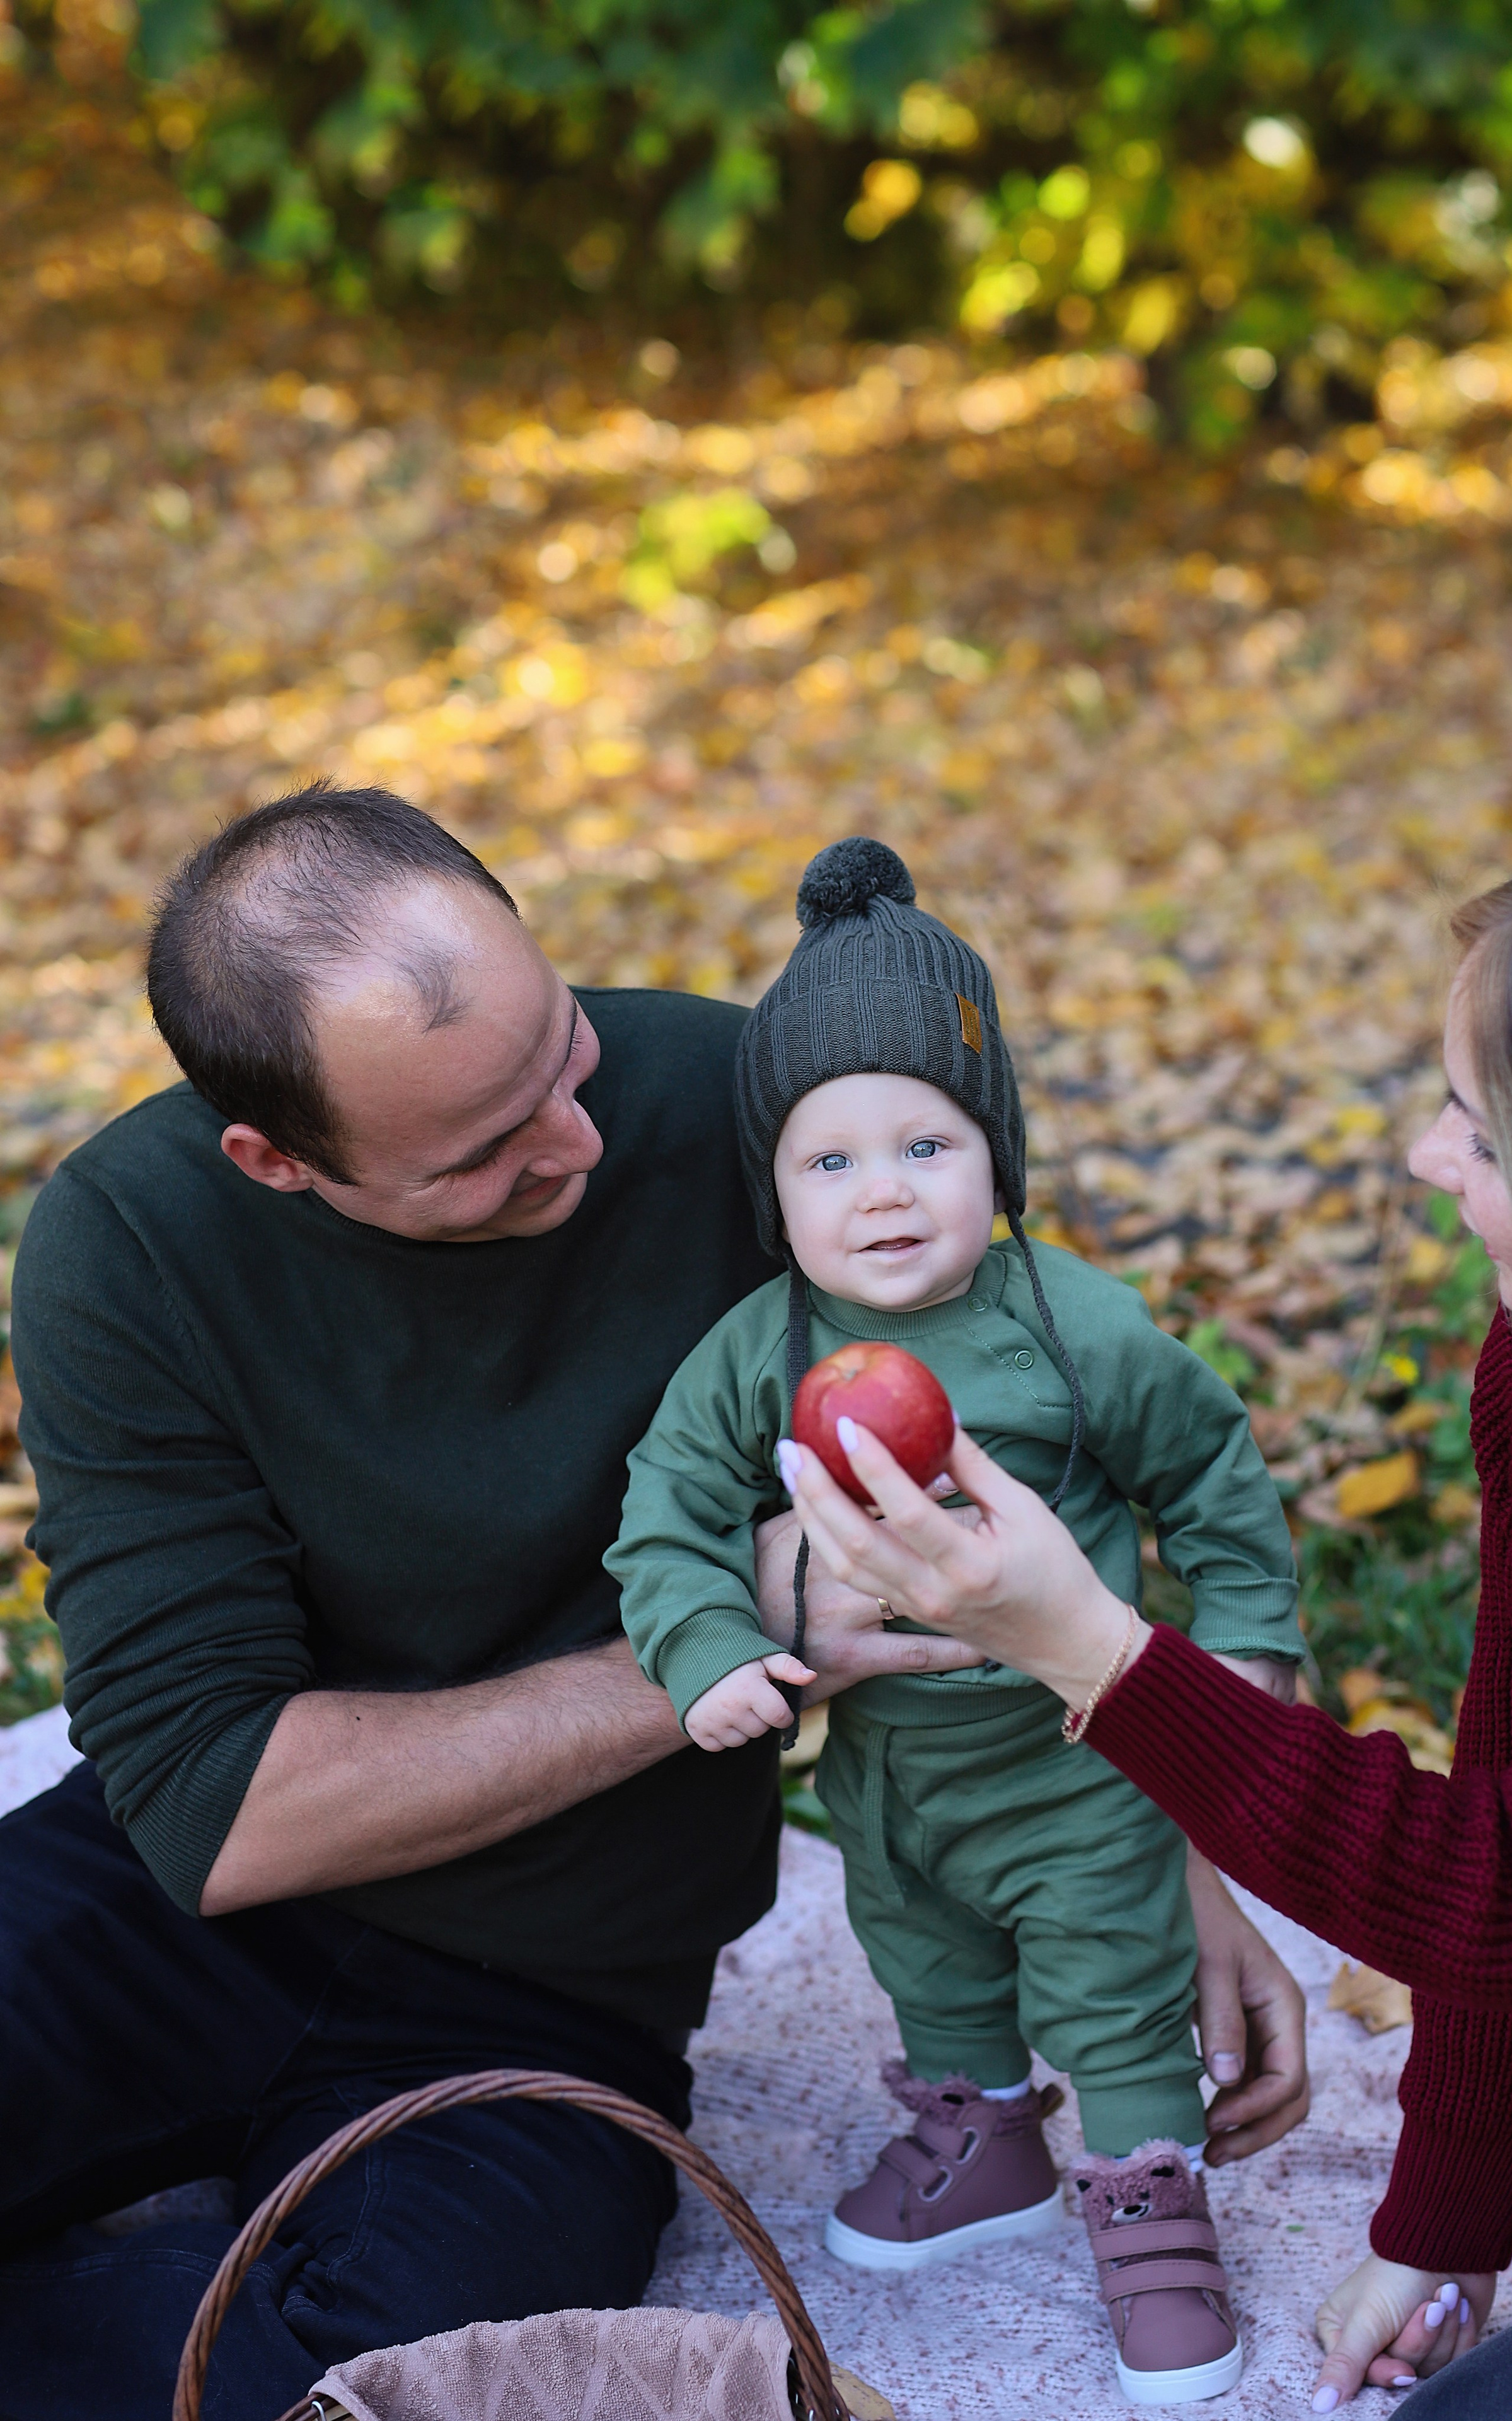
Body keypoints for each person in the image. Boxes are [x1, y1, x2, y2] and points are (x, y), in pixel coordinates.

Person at [1, 782, 1017, 2421]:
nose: (578, 1142)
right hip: (164, 1922)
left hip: (554, 2003)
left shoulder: (752, 1104)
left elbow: (1031, 1459)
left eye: (561, 1052)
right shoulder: (129, 1237)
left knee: (369, 2393)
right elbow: (214, 1809)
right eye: (484, 1153)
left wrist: (1177, 1862)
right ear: (277, 1160)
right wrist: (716, 1635)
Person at [779, 833, 1512, 2418]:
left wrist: (1088, 1649)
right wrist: (1442, 2220)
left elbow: (1511, 1891)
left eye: (1481, 1133)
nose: (1421, 1159)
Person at [609, 838, 1303, 2404]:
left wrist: (1246, 1656)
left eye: (926, 1143)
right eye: (828, 1163)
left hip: (1077, 1762)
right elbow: (667, 1511)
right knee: (924, 1961)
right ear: (772, 1191)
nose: (883, 1192)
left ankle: (1149, 2204)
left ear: (998, 1156)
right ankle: (983, 2136)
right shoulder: (758, 1350)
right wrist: (706, 1647)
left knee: (1115, 1989)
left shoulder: (1073, 1328)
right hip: (887, 1777)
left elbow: (1210, 1480)